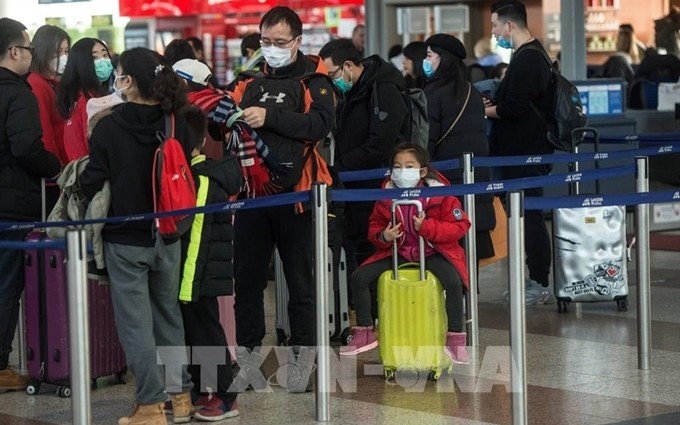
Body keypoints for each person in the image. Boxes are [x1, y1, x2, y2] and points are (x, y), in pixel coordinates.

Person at [79, 48, 197, 424]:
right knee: (168, 316)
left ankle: (149, 405)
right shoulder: (179, 121)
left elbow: (92, 179)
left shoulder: (109, 126)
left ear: (127, 80)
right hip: (170, 233)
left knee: (136, 325)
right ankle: (180, 398)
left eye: (118, 73)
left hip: (126, 238)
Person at [228, 6, 334, 393]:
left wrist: (268, 116)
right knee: (248, 283)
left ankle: (304, 364)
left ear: (297, 42)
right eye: (265, 42)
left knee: (301, 286)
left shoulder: (314, 79)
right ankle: (249, 364)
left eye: (279, 42)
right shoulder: (248, 80)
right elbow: (225, 120)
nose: (271, 49)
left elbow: (321, 125)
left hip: (298, 197)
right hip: (252, 197)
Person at [339, 143, 471, 364]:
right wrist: (384, 236)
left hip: (432, 251)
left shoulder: (441, 194)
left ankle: (455, 339)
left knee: (453, 281)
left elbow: (460, 225)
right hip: (399, 251)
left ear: (422, 171)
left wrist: (428, 227)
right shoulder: (386, 195)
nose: (402, 171)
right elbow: (374, 227)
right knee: (359, 277)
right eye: (397, 166)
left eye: (409, 166)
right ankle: (365, 331)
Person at [0, 17, 61, 392]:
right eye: (30, 48)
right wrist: (55, 166)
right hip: (13, 203)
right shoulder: (18, 93)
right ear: (14, 51)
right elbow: (26, 148)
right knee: (7, 286)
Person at [318, 38, 407, 279]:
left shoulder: (383, 89)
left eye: (332, 74)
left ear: (348, 65)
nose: (330, 81)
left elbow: (378, 145)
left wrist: (338, 168)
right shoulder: (354, 91)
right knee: (357, 250)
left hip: (375, 186)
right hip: (353, 188)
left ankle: (376, 312)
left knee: (374, 252)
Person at [484, 0, 554, 304]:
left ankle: (539, 280)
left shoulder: (528, 60)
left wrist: (487, 111)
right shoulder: (529, 55)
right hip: (523, 149)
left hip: (526, 152)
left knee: (532, 215)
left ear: (509, 26)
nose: (494, 32)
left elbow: (515, 107)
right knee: (526, 215)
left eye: (495, 25)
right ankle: (534, 277)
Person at [176, 106, 241, 421]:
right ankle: (202, 390)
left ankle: (228, 395)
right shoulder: (189, 173)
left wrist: (186, 281)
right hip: (193, 272)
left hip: (198, 272)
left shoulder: (203, 177)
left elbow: (199, 232)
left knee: (207, 332)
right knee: (193, 331)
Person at [422, 33, 496, 271]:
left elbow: (428, 139)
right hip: (474, 179)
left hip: (446, 181)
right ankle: (469, 297)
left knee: (446, 246)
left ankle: (454, 300)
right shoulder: (470, 91)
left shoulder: (433, 93)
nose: (427, 60)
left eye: (430, 55)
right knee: (469, 244)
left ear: (443, 59)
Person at [27, 25, 71, 212]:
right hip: (53, 178)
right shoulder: (37, 84)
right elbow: (45, 133)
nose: (63, 57)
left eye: (66, 51)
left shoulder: (55, 84)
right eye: (56, 52)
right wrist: (56, 171)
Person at [57, 37, 112, 162]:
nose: (103, 61)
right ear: (81, 64)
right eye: (95, 58)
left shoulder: (78, 97)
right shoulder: (91, 101)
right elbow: (97, 146)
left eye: (105, 55)